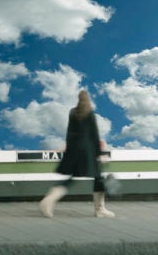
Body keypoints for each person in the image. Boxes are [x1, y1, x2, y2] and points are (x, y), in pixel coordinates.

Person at [39, 89, 115, 218]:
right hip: (88, 151)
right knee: (98, 178)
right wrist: (100, 153)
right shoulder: (90, 114)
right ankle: (100, 209)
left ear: (78, 99)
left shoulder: (72, 113)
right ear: (88, 100)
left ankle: (49, 199)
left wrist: (69, 150)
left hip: (74, 150)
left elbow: (69, 133)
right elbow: (94, 136)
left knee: (72, 178)